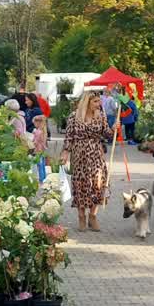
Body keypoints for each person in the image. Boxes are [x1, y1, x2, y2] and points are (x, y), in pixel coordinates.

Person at [62, 92, 111, 232]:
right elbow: (69, 136)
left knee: (98, 183)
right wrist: (65, 152)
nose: (99, 104)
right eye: (96, 101)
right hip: (79, 154)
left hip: (96, 153)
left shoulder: (101, 116)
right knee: (81, 184)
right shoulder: (74, 116)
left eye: (99, 101)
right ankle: (81, 216)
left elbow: (107, 133)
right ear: (87, 102)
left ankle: (93, 216)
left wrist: (115, 129)